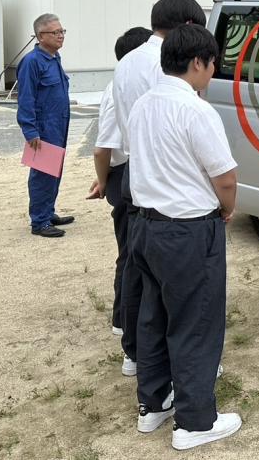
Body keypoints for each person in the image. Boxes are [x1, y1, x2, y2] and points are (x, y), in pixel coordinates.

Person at [127, 24, 241, 450]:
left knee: (154, 317)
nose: (212, 73)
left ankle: (153, 403)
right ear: (198, 62)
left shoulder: (143, 104)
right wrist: (227, 208)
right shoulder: (195, 110)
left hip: (146, 226)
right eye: (212, 64)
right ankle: (195, 422)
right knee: (196, 321)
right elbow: (225, 177)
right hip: (189, 230)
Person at [114, 0, 206, 377]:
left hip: (135, 176)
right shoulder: (169, 67)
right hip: (168, 185)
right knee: (175, 285)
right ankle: (171, 362)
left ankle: (135, 353)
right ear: (186, 26)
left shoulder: (128, 61)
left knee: (138, 270)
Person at [86, 26, 153, 336]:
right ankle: (123, 321)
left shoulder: (118, 84)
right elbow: (102, 148)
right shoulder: (122, 90)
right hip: (124, 174)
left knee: (130, 251)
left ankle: (125, 320)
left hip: (119, 175)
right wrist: (102, 181)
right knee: (130, 253)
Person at [16, 13, 73, 238]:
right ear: (41, 36)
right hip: (44, 125)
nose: (60, 36)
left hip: (59, 123)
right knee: (42, 173)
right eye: (55, 32)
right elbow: (26, 98)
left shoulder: (54, 57)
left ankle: (48, 212)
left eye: (62, 31)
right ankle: (39, 221)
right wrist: (30, 130)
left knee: (54, 170)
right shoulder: (32, 62)